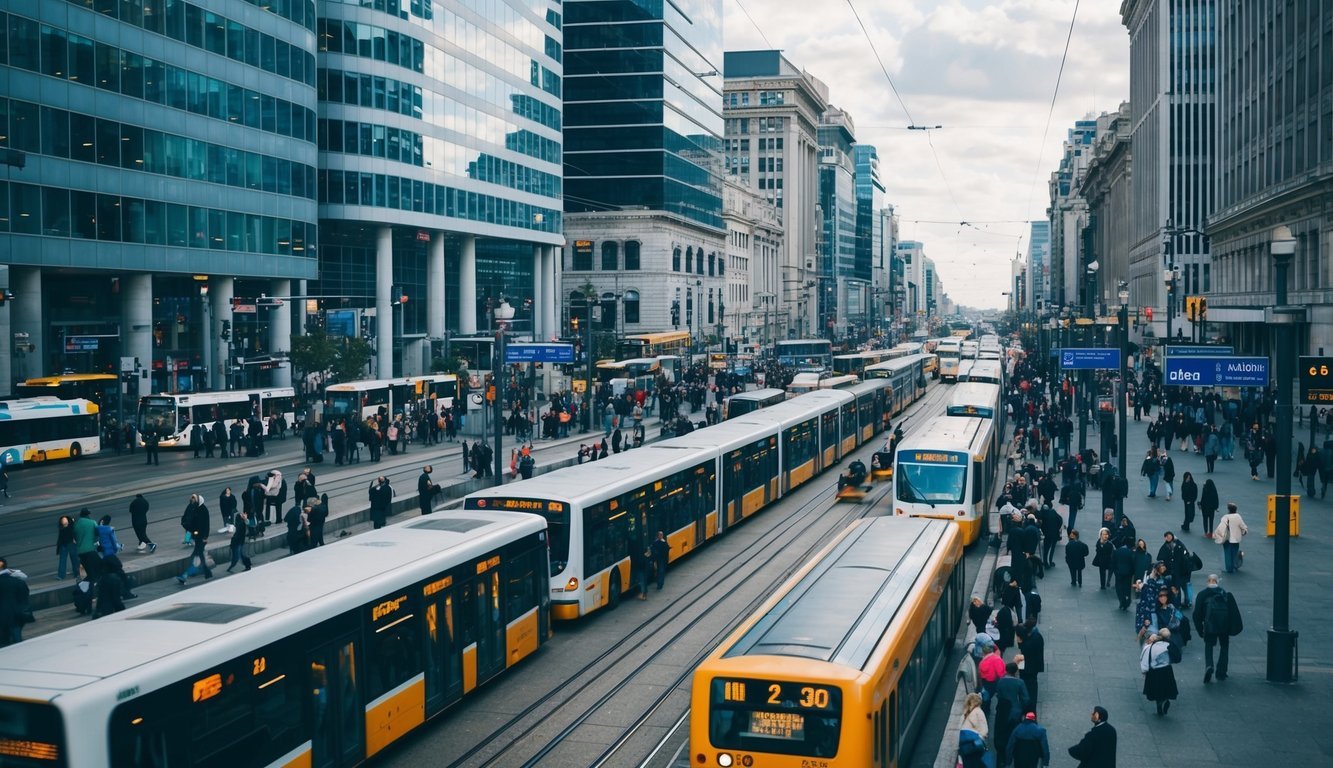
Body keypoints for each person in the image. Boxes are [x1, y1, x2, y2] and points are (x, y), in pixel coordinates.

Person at [1193, 573, 1242, 682]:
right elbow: (1232, 612)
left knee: (1208, 646)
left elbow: (1196, 614)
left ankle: (1209, 665)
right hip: (1224, 626)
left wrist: (1200, 630)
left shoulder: (1202, 594)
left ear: (1207, 581)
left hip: (1209, 626)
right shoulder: (1225, 594)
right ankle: (1221, 672)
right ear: (1217, 581)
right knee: (1224, 646)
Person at [993, 663, 1031, 767]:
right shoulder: (1020, 682)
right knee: (1013, 735)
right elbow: (1026, 699)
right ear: (1016, 671)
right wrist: (1021, 708)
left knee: (1001, 734)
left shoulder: (1000, 681)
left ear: (1006, 670)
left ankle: (1001, 760)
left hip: (1002, 711)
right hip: (1015, 712)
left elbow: (998, 694)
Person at [175, 493, 213, 585]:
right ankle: (207, 572)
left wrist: (205, 537)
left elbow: (206, 525)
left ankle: (185, 575)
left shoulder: (204, 510)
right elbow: (193, 523)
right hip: (197, 537)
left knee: (196, 557)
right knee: (199, 556)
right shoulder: (196, 509)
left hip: (201, 538)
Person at [1140, 629, 1178, 715]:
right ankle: (1165, 699)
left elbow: (1145, 658)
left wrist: (1144, 670)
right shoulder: (1169, 645)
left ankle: (1159, 704)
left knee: (1156, 688)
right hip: (1166, 669)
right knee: (1166, 687)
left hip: (1154, 671)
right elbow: (1177, 655)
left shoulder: (1150, 645)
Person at [0, 557, 32, 646]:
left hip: (2, 618)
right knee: (17, 640)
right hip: (17, 616)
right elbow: (25, 593)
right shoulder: (17, 582)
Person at [1014, 622, 1045, 706]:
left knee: (1028, 688)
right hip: (1035, 666)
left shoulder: (1027, 644)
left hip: (1028, 669)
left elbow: (1024, 653)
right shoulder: (1036, 636)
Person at [1214, 502, 1248, 573]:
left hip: (1227, 539)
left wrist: (1216, 535)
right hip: (1236, 539)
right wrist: (1244, 532)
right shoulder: (1238, 516)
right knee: (1234, 553)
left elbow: (1221, 527)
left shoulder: (1225, 517)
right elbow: (1243, 526)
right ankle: (1234, 565)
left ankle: (1229, 568)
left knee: (1227, 554)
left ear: (1228, 510)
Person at [958, 693, 989, 768]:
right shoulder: (978, 711)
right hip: (975, 744)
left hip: (964, 746)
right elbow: (985, 730)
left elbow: (960, 729)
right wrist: (980, 739)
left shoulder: (964, 713)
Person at [74, 508, 100, 581]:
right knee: (98, 568)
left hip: (80, 552)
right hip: (91, 550)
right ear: (88, 515)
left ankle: (87, 585)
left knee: (88, 571)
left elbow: (74, 537)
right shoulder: (92, 522)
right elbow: (97, 534)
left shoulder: (76, 524)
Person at [55, 514, 79, 579]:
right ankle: (76, 574)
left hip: (63, 544)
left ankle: (61, 575)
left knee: (63, 560)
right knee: (74, 560)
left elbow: (60, 538)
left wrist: (58, 548)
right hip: (71, 544)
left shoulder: (61, 528)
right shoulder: (72, 526)